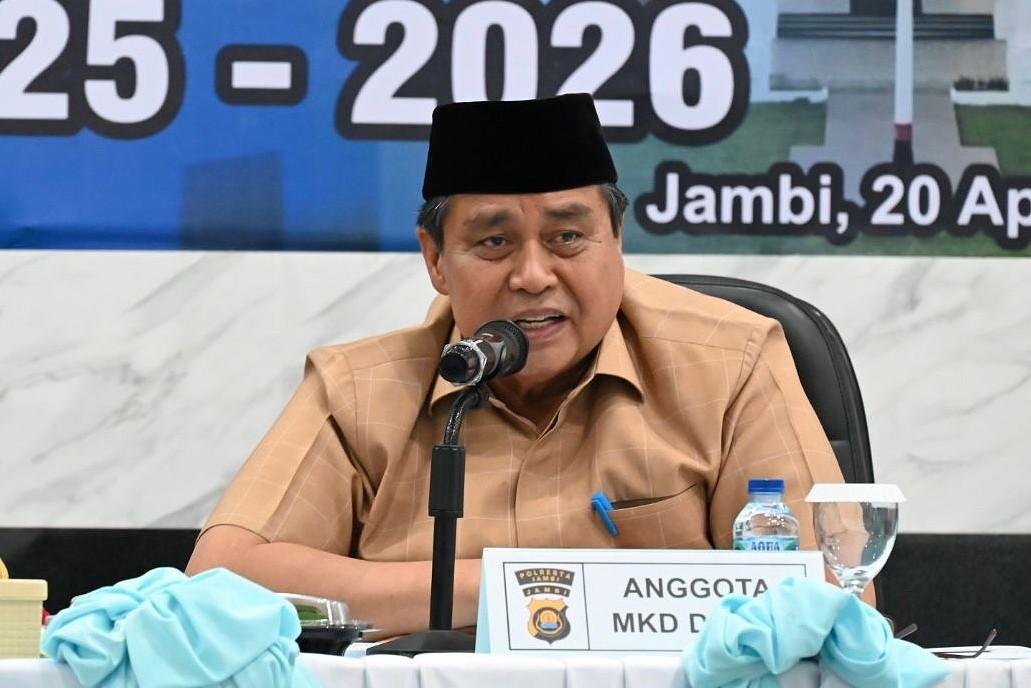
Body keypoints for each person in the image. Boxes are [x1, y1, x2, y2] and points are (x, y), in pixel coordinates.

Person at [186, 94, 846, 635]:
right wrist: (520, 589)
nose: (533, 276)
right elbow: (218, 583)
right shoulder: (359, 391)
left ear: (616, 240)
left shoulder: (729, 362)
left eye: (567, 237)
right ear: (436, 260)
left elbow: (833, 594)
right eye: (495, 242)